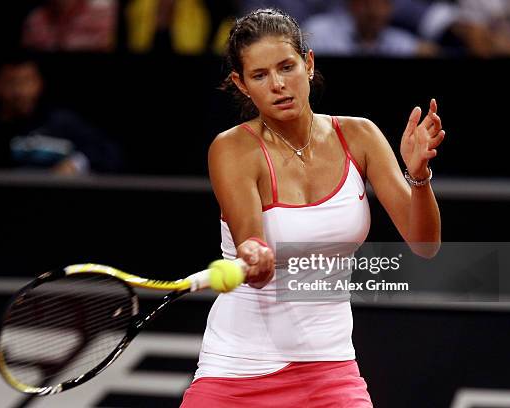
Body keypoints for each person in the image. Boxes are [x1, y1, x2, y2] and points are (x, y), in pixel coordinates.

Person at [181, 8, 444, 407]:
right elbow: (249, 237)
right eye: (259, 75)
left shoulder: (360, 135)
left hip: (330, 369)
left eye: (287, 67)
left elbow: (425, 245)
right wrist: (253, 252)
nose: (278, 85)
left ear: (308, 62)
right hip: (236, 369)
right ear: (241, 83)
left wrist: (419, 176)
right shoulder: (232, 149)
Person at [0, 55, 122, 174]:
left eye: (27, 82)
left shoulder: (62, 124)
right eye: (11, 83)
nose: (20, 92)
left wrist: (77, 164)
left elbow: (110, 154)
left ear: (39, 83)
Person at [304, 0, 439, 57]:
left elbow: (423, 50)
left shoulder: (398, 40)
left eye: (382, 4)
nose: (374, 11)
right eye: (367, 3)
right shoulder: (318, 31)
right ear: (353, 5)